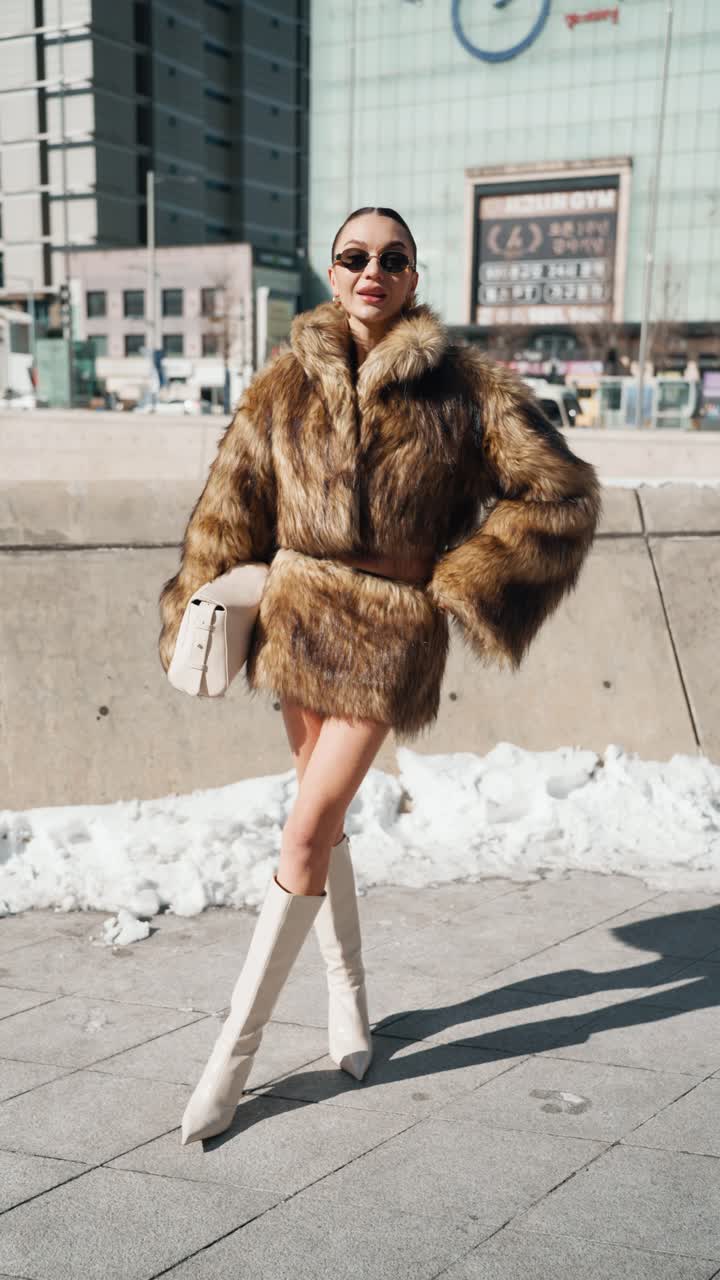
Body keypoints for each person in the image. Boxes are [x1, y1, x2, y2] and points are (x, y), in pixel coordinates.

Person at [157, 206, 602, 1145]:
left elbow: (558, 491)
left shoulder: (464, 387)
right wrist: (193, 601)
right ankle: (347, 998)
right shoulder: (281, 385)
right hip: (297, 622)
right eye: (355, 257)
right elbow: (229, 504)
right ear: (332, 270)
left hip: (393, 633)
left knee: (306, 826)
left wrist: (465, 580)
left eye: (391, 259)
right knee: (321, 829)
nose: (373, 271)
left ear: (413, 274)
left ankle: (229, 1064)